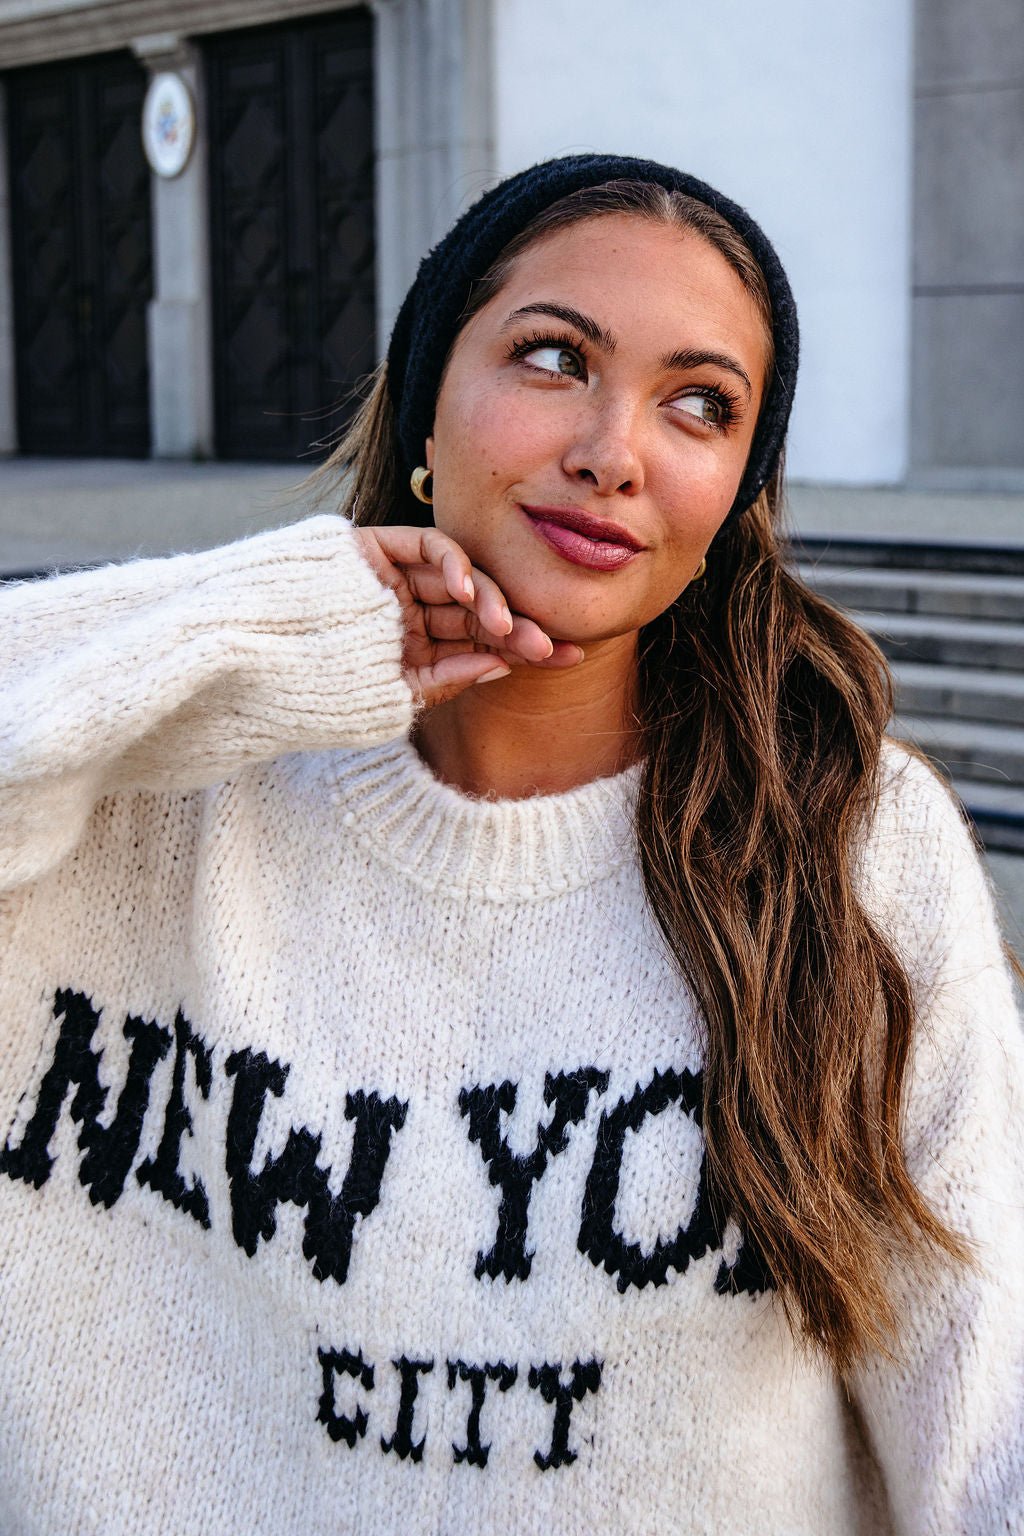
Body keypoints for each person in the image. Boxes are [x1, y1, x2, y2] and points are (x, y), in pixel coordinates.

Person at [0, 154, 1021, 1535]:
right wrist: (254, 630)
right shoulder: (135, 787)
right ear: (428, 391)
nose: (614, 451)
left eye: (700, 405)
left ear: (736, 495)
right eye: (554, 358)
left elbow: (987, 1418)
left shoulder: (850, 846)